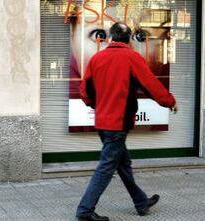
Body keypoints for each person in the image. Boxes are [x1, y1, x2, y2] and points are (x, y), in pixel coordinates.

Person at [75, 22, 178, 221]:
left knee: (123, 163)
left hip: (103, 121)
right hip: (118, 124)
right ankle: (84, 212)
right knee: (106, 167)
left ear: (111, 37)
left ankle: (140, 202)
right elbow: (151, 84)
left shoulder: (97, 58)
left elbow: (85, 90)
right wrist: (169, 102)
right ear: (129, 39)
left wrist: (97, 106)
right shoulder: (132, 57)